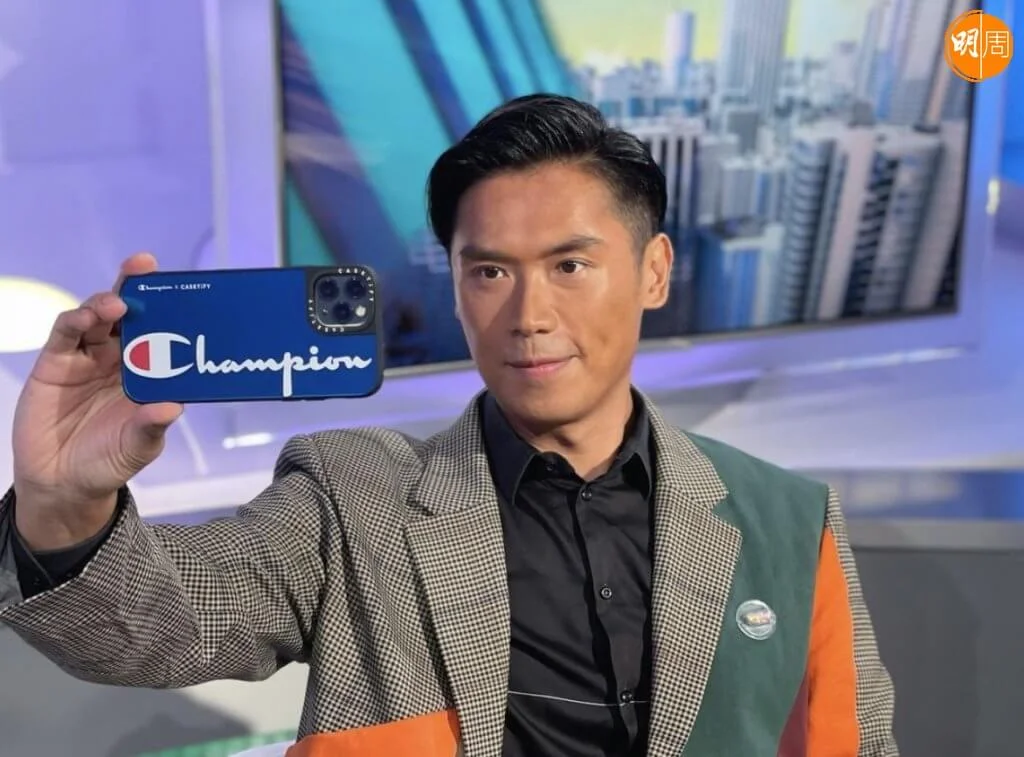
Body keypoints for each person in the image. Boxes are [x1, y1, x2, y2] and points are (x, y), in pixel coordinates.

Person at [0, 94, 897, 757]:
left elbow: (850, 742)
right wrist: (61, 500)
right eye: (490, 272)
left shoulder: (787, 520)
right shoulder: (351, 499)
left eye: (570, 265)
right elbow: (153, 626)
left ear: (653, 271)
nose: (529, 315)